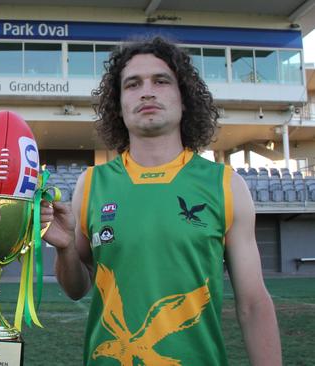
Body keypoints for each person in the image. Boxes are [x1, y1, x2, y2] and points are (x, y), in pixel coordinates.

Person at [40, 37, 282, 365]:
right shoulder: (92, 183)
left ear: (184, 99)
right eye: (133, 84)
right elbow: (77, 288)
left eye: (161, 80)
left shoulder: (226, 185)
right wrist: (65, 249)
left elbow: (253, 304)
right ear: (119, 104)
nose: (147, 91)